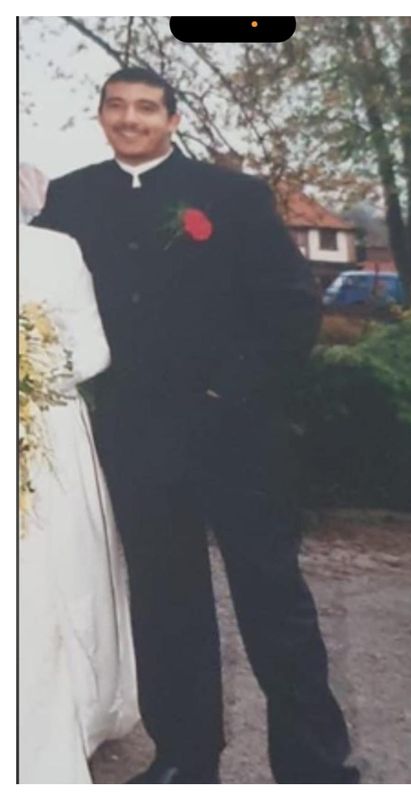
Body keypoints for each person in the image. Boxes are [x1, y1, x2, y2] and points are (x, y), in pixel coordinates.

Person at [33, 67, 357, 784]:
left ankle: (314, 766)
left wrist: (224, 392)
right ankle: (185, 757)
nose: (130, 119)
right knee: (165, 602)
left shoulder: (230, 196)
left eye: (146, 107)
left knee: (274, 600)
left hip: (239, 433)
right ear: (100, 115)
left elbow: (290, 311)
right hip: (136, 438)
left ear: (173, 120)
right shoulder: (71, 198)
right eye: (115, 105)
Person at [18, 168, 140, 783]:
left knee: (48, 573)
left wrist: (29, 374)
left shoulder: (55, 250)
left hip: (45, 434)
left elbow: (95, 350)